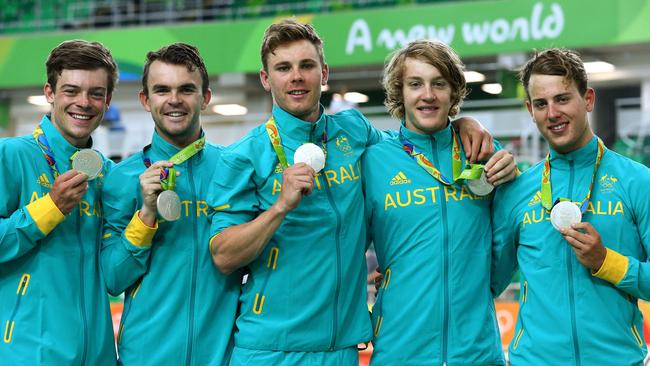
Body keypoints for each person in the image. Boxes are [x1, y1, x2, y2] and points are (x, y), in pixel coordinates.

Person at [207, 19, 497, 365]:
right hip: (270, 348)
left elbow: (410, 146)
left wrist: (462, 124)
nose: (296, 76)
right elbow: (223, 255)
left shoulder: (355, 132)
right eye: (283, 68)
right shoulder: (243, 156)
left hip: (342, 349)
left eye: (307, 66)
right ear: (266, 79)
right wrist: (278, 209)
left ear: (324, 73)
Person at [491, 48, 650, 365]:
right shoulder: (516, 191)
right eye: (541, 104)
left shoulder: (638, 181)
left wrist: (606, 261)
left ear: (588, 99)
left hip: (617, 360)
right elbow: (489, 282)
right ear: (530, 110)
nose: (552, 113)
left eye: (562, 99)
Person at [363, 39, 516, 365]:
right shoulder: (374, 160)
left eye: (439, 84)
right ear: (399, 92)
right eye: (415, 84)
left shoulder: (484, 152)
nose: (428, 95)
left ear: (454, 93)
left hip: (477, 351)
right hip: (400, 351)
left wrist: (481, 290)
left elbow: (510, 237)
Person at [100, 43, 241, 365]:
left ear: (205, 98)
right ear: (145, 100)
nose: (174, 99)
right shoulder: (122, 179)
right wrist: (146, 215)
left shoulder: (235, 170)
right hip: (146, 359)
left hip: (222, 358)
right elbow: (112, 279)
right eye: (162, 90)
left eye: (186, 89)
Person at [0, 40, 117, 365]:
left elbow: (114, 273)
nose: (84, 102)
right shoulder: (10, 156)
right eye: (71, 90)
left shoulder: (109, 175)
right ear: (49, 92)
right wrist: (49, 208)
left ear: (107, 101)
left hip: (97, 356)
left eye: (96, 93)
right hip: (27, 354)